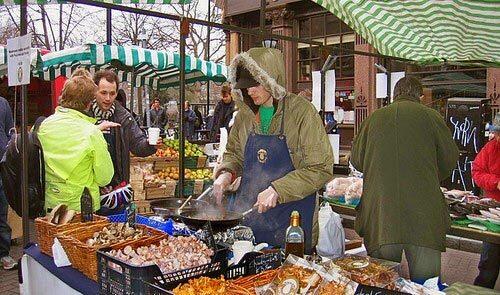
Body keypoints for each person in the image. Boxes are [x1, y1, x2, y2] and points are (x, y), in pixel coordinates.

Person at [213, 48, 334, 253]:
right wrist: (227, 173)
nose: (250, 91)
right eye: (245, 87)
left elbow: (320, 168)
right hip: (250, 221)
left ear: (271, 80)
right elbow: (234, 154)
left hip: (292, 223)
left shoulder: (301, 112)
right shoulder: (244, 116)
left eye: (255, 85)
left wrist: (278, 189)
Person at [351, 76, 459, 282]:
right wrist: (427, 176)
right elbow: (449, 160)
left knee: (382, 283)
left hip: (382, 217)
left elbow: (357, 161)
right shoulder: (432, 117)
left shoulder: (373, 119)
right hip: (424, 219)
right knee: (426, 286)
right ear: (419, 96)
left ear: (394, 96)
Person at [38, 76, 114, 214]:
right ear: (88, 104)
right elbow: (105, 178)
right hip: (81, 208)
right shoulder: (92, 132)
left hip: (50, 205)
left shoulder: (43, 126)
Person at [92, 70, 158, 213]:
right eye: (103, 93)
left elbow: (137, 144)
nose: (108, 98)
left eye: (112, 93)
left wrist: (150, 144)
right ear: (94, 91)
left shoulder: (124, 116)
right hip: (90, 188)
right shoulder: (84, 115)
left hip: (117, 188)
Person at [472, 113, 500, 289]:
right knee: (488, 264)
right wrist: (496, 183)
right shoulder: (491, 148)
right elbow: (476, 171)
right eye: (496, 133)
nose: (496, 137)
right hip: (494, 213)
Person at [0, 96, 15, 270]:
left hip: (1, 168)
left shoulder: (3, 103)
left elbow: (11, 132)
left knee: (3, 215)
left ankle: (4, 254)